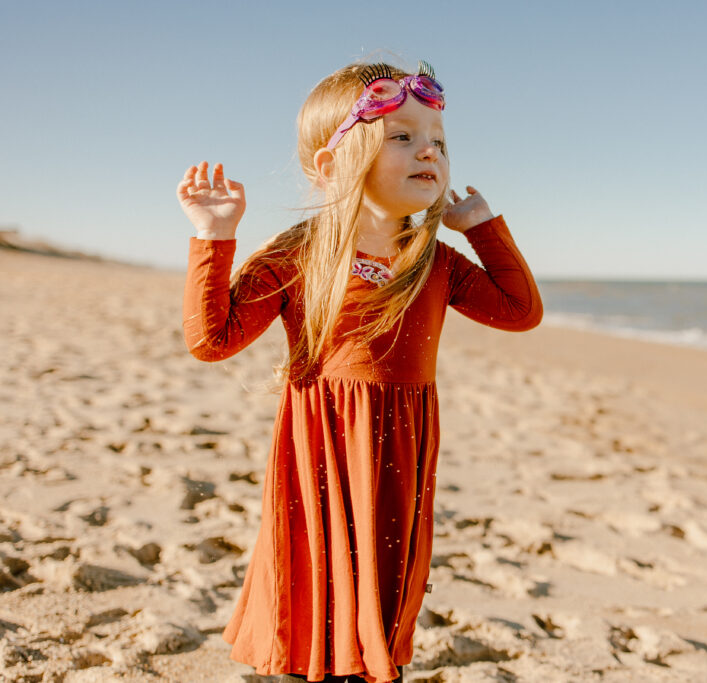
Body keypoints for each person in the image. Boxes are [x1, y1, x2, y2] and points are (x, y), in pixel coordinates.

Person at [177, 60, 543, 683]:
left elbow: (520, 312)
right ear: (331, 165)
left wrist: (482, 229)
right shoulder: (301, 253)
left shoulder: (436, 261)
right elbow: (212, 340)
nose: (428, 150)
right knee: (316, 579)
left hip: (402, 446)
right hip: (321, 447)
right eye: (401, 135)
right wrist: (215, 238)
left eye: (438, 140)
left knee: (384, 579)